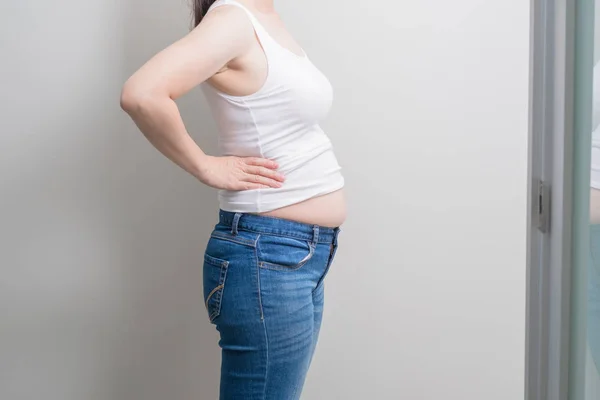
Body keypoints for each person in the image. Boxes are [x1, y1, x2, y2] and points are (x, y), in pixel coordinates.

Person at [119, 0, 346, 398]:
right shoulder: (234, 20)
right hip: (269, 256)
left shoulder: (263, 19)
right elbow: (142, 94)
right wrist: (205, 166)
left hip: (297, 255)